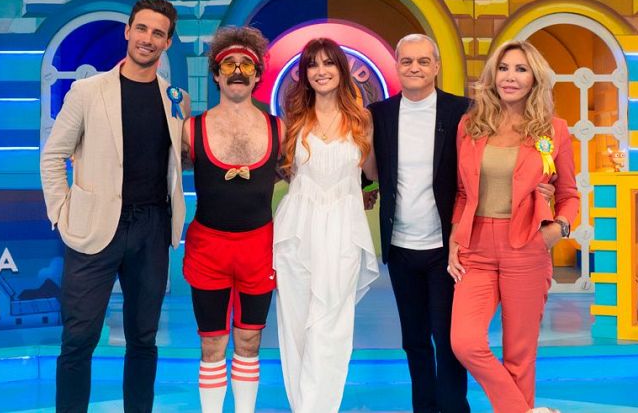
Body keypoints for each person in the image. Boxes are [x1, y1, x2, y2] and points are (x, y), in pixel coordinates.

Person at [39, 0, 189, 413]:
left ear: (167, 42)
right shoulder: (87, 92)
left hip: (153, 227)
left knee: (144, 339)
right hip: (94, 228)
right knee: (79, 339)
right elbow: (53, 157)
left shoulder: (176, 98)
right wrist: (61, 212)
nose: (148, 38)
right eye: (142, 29)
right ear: (128, 31)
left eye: (158, 33)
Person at [448, 41, 579, 413]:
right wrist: (455, 241)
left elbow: (569, 195)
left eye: (521, 69)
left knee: (520, 355)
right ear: (493, 75)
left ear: (535, 77)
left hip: (527, 246)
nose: (510, 76)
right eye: (504, 68)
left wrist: (557, 231)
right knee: (464, 341)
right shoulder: (470, 126)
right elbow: (461, 192)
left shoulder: (554, 130)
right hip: (475, 249)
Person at [271, 37, 379, 413]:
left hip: (343, 231)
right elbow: (282, 172)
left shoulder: (363, 121)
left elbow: (374, 174)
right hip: (297, 231)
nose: (321, 71)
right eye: (313, 65)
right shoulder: (294, 120)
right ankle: (303, 406)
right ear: (305, 73)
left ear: (341, 69)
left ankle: (321, 407)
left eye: (328, 63)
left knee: (333, 326)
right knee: (296, 324)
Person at [180, 26, 281, 413]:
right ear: (216, 73)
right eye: (229, 64)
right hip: (208, 249)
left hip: (259, 248)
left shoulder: (280, 129)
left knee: (250, 342)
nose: (237, 71)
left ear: (257, 75)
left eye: (246, 65)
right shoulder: (190, 129)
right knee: (211, 344)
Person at [368, 35, 471, 413]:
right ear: (396, 66)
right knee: (413, 339)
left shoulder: (462, 111)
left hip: (447, 249)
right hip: (400, 247)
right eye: (407, 61)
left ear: (437, 67)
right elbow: (367, 170)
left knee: (448, 340)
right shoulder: (379, 113)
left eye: (423, 61)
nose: (414, 68)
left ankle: (454, 407)